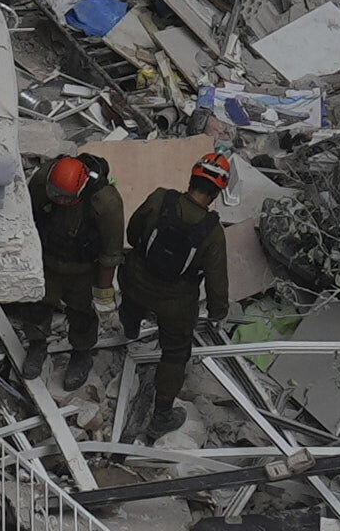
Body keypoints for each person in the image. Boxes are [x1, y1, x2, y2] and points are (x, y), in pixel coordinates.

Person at [119, 148, 238, 438]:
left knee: (132, 300)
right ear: (217, 193)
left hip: (135, 281)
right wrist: (218, 313)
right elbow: (216, 282)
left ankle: (131, 328)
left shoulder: (161, 198)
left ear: (192, 178)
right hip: (175, 303)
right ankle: (161, 415)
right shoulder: (212, 232)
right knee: (174, 353)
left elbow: (133, 233)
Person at [30, 140, 118, 382]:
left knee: (81, 314)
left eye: (64, 197)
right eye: (54, 194)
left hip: (82, 269)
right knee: (36, 306)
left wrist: (103, 293)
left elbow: (110, 253)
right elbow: (28, 220)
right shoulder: (41, 182)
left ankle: (81, 353)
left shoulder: (105, 203)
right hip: (47, 260)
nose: (57, 199)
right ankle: (36, 344)